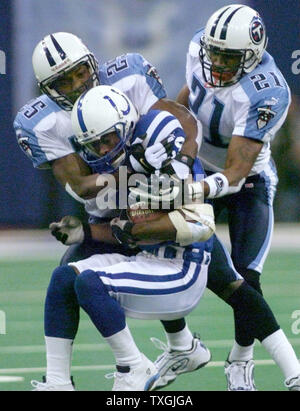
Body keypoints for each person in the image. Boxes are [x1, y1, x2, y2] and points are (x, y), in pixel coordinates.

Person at [14, 32, 300, 391]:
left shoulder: (135, 87)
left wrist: (178, 169)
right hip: (112, 207)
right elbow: (81, 186)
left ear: (92, 63)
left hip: (160, 206)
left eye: (80, 73)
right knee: (67, 279)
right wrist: (128, 182)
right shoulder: (40, 122)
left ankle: (284, 369)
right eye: (62, 81)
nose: (76, 85)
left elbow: (181, 124)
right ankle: (65, 379)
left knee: (233, 283)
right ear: (46, 88)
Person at [31, 85, 215, 391]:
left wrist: (136, 229)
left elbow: (200, 223)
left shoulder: (158, 139)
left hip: (182, 268)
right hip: (149, 259)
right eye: (95, 144)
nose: (103, 150)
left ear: (126, 124)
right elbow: (128, 228)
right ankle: (58, 383)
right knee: (64, 277)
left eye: (107, 139)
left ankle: (133, 366)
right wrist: (87, 232)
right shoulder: (127, 162)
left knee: (91, 283)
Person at [173, 4, 298, 389]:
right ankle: (180, 344)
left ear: (252, 55)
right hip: (199, 170)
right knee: (162, 248)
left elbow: (237, 170)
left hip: (245, 183)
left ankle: (241, 359)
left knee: (246, 275)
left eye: (228, 57)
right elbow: (189, 98)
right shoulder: (200, 48)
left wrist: (194, 189)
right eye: (215, 52)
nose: (217, 62)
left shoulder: (267, 91)